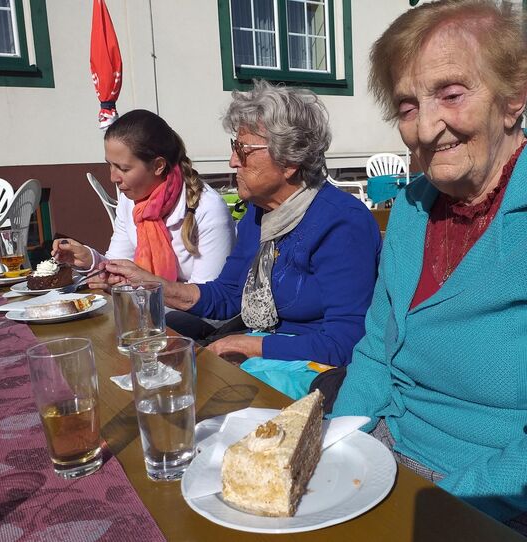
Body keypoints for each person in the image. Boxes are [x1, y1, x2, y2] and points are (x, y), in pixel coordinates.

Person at [330, 1, 527, 541]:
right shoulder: (411, 207)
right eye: (407, 106)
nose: (427, 128)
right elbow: (374, 353)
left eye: (451, 95)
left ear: (515, 95)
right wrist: (335, 449)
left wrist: (421, 511)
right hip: (400, 454)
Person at [100, 81, 382, 398]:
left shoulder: (341, 222)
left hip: (311, 371)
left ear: (289, 161)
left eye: (242, 150)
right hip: (262, 354)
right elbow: (228, 294)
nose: (233, 161)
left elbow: (345, 341)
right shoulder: (259, 213)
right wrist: (151, 285)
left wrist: (246, 345)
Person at [52, 109, 236, 288]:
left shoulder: (207, 209)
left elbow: (206, 296)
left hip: (195, 316)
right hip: (149, 306)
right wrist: (89, 259)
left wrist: (143, 285)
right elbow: (118, 263)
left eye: (123, 169)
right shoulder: (130, 200)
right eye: (110, 165)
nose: (113, 178)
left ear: (158, 166)